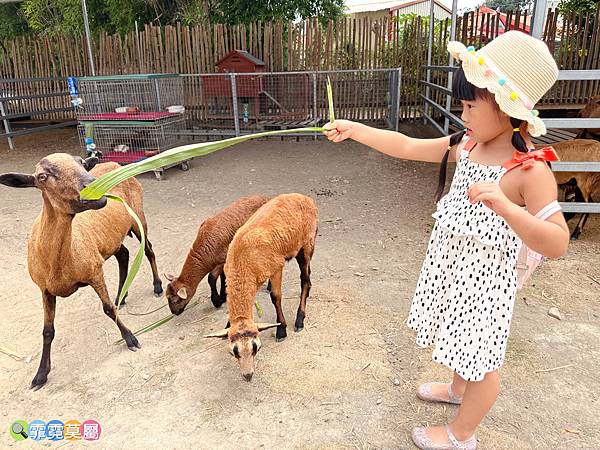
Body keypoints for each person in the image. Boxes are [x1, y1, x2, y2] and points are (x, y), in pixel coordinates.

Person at [324, 31, 570, 449]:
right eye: (462, 104)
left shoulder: (530, 170)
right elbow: (405, 145)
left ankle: (461, 435)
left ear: (508, 108)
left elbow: (558, 242)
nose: (463, 113)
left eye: (471, 104)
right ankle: (458, 389)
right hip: (454, 269)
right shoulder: (468, 144)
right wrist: (356, 130)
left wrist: (509, 209)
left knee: (484, 365)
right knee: (459, 337)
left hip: (487, 284)